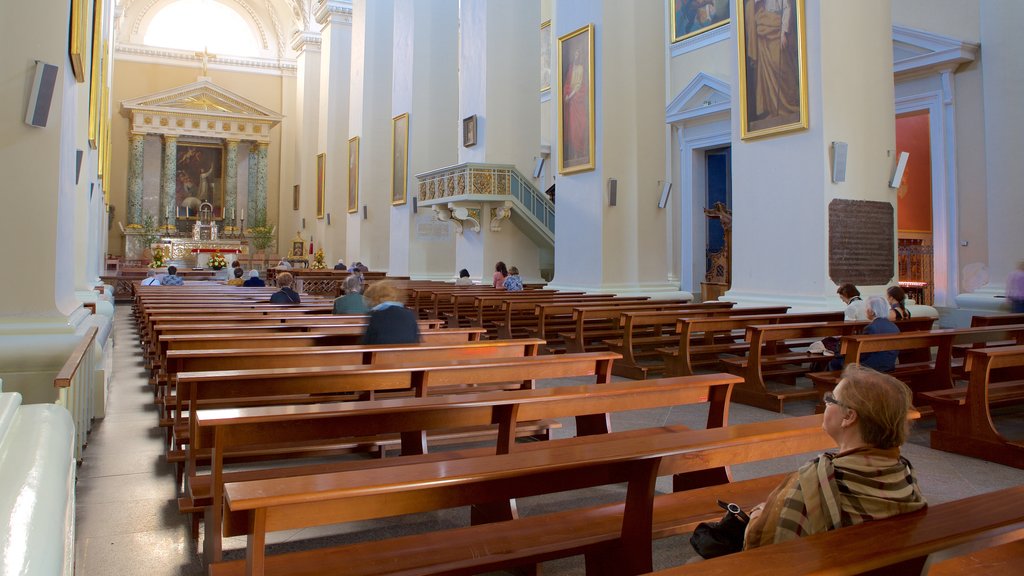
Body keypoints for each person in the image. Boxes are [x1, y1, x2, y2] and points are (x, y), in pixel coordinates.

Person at [743, 364, 926, 548]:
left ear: (849, 417)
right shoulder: (904, 474)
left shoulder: (812, 482)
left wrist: (758, 514)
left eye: (831, 400)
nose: (826, 404)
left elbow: (763, 543)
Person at [745, 0, 800, 126]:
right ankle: (774, 110)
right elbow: (753, 6)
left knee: (781, 68)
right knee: (768, 72)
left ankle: (788, 106)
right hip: (764, 32)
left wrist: (783, 32)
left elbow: (787, 8)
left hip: (777, 30)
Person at [828, 296, 900, 372]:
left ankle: (838, 383)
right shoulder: (894, 327)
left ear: (872, 312)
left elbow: (863, 353)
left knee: (835, 362)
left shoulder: (871, 328)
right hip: (889, 366)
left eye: (866, 308)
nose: (865, 310)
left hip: (872, 368)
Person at [361, 280, 420, 345]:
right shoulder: (409, 314)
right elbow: (416, 338)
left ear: (377, 298)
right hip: (408, 353)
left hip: (382, 353)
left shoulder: (376, 315)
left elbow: (368, 342)